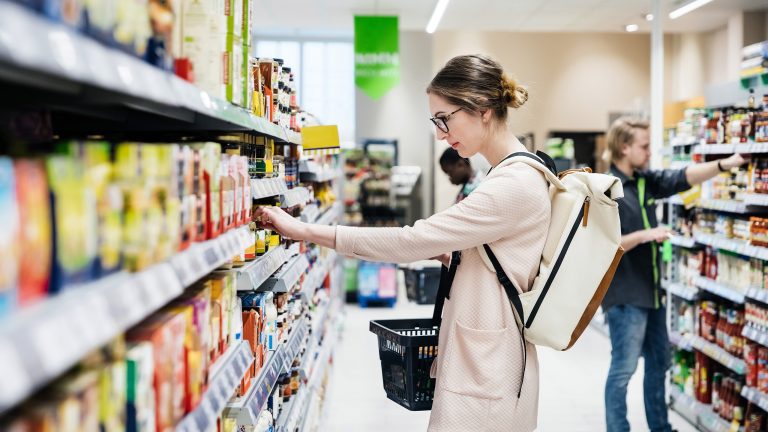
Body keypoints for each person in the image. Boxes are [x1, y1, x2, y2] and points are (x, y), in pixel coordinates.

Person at [255, 54, 548, 431]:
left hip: (489, 369)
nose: (441, 133)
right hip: (482, 358)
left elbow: (413, 239)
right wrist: (457, 256)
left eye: (445, 118)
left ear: (483, 109)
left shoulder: (513, 184)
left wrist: (306, 231)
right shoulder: (504, 174)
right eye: (435, 121)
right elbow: (499, 258)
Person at [602, 117, 747, 432]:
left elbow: (684, 177)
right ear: (624, 147)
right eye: (644, 145)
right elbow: (603, 247)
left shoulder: (645, 180)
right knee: (623, 370)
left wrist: (727, 164)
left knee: (660, 364)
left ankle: (660, 427)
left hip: (652, 292)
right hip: (624, 294)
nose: (650, 151)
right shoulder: (604, 189)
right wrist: (646, 234)